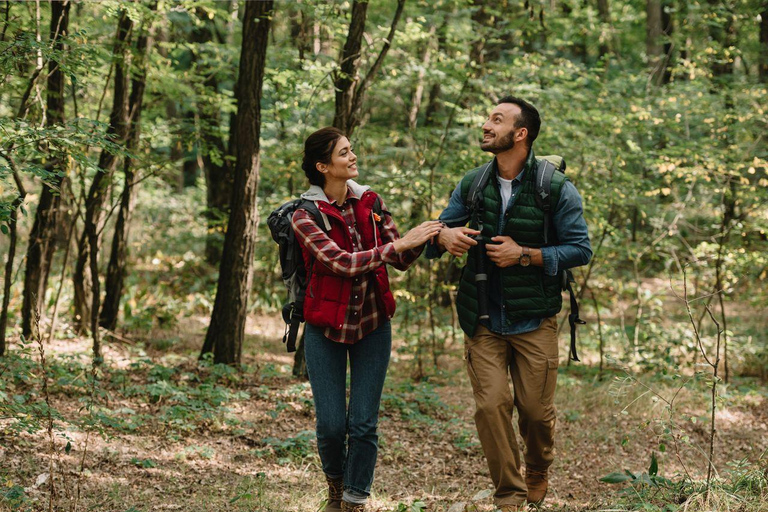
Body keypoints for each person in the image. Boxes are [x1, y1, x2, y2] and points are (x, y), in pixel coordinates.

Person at [426, 96, 592, 510]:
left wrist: (527, 255)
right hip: (481, 317)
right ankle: (510, 496)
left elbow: (580, 249)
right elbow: (433, 234)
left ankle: (537, 468)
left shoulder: (554, 187)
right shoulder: (474, 183)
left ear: (521, 134)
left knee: (535, 414)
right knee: (491, 405)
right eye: (487, 118)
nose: (486, 125)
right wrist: (442, 236)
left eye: (496, 120)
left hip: (534, 317)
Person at [292, 127, 442, 512]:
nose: (353, 157)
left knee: (363, 424)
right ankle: (335, 489)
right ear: (322, 166)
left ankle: (355, 500)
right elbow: (341, 263)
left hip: (373, 325)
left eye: (351, 150)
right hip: (325, 329)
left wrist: (430, 235)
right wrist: (398, 244)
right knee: (330, 426)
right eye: (344, 153)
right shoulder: (303, 216)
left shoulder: (371, 201)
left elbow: (402, 259)